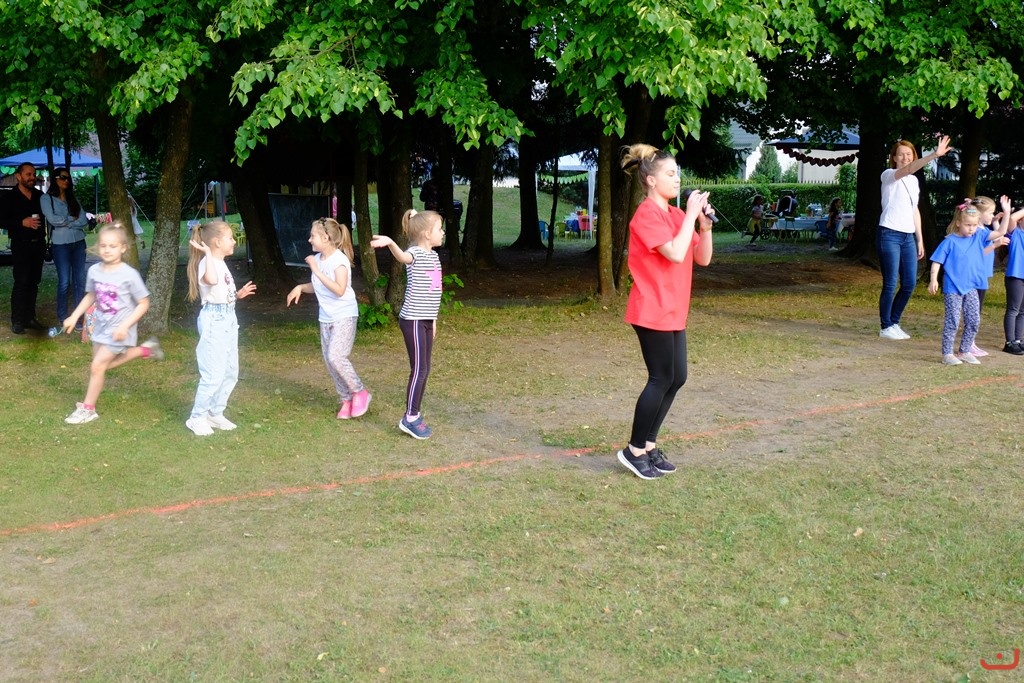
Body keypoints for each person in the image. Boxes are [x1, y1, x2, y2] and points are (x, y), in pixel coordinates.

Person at [616, 144, 714, 480]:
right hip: (651, 308)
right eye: (670, 174)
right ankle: (633, 450)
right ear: (651, 181)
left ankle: (649, 445)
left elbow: (702, 258)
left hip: (674, 309)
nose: (677, 179)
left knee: (677, 377)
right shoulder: (646, 215)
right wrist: (689, 216)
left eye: (678, 173)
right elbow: (673, 252)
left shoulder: (675, 216)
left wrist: (704, 227)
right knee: (660, 377)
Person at [61, 223, 163, 424]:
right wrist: (74, 316)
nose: (107, 250)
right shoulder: (94, 271)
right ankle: (145, 350)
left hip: (120, 331)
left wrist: (125, 326)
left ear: (123, 248)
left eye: (113, 246)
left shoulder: (129, 274)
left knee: (97, 366)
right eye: (103, 245)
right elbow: (91, 296)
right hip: (101, 327)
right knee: (100, 366)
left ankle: (88, 409)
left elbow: (144, 303)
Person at [370, 209, 445, 440]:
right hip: (412, 319)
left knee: (425, 368)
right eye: (439, 229)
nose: (443, 232)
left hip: (425, 320)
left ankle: (415, 414)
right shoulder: (415, 253)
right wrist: (390, 242)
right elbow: (402, 258)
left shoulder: (434, 257)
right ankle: (410, 418)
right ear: (426, 234)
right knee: (419, 369)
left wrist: (433, 320)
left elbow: (434, 292)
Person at [286, 217, 371, 419]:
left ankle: (360, 392)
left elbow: (339, 290)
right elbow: (318, 286)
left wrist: (315, 270)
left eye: (313, 236)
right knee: (329, 361)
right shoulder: (318, 259)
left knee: (336, 356)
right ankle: (346, 399)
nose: (309, 240)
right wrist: (300, 287)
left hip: (344, 315)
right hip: (326, 317)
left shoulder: (339, 261)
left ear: (325, 238)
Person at [185, 221, 256, 436]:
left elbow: (220, 291)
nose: (234, 241)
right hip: (214, 321)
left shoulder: (220, 263)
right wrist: (207, 254)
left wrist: (238, 295)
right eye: (230, 238)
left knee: (231, 371)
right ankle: (197, 417)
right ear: (217, 242)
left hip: (228, 318)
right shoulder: (207, 263)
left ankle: (215, 413)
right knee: (213, 374)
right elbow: (211, 280)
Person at [877, 135, 952, 340]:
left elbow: (914, 209)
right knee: (890, 283)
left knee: (909, 283)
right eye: (901, 154)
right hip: (889, 233)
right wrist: (934, 155)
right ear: (894, 158)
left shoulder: (913, 181)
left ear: (914, 155)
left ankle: (894, 322)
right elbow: (908, 169)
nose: (905, 158)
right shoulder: (889, 175)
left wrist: (919, 238)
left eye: (909, 154)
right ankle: (885, 326)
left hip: (907, 236)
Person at [927, 202, 1007, 365]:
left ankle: (964, 350)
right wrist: (933, 280)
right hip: (953, 288)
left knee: (973, 320)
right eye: (968, 225)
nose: (971, 229)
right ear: (958, 223)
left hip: (971, 287)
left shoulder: (978, 236)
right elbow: (937, 261)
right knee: (953, 320)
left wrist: (1006, 212)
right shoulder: (949, 241)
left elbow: (1000, 232)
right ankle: (947, 354)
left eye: (974, 225)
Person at [0, 162, 46, 334]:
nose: (32, 177)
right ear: (18, 176)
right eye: (28, 174)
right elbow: (1, 220)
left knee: (34, 282)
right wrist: (21, 222)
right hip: (21, 245)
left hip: (38, 244)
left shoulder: (40, 196)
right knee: (21, 282)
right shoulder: (8, 198)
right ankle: (17, 320)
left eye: (33, 174)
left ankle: (30, 317)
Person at [41, 168, 89, 329]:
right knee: (64, 282)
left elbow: (84, 220)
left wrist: (68, 222)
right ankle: (62, 315)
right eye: (62, 177)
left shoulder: (73, 199)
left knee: (79, 281)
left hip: (79, 243)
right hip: (60, 245)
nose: (66, 180)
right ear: (55, 179)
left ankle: (79, 317)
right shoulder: (46, 199)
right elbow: (52, 220)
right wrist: (71, 219)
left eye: (68, 178)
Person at [966, 195, 1012, 356]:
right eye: (991, 213)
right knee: (973, 311)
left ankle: (970, 342)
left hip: (981, 275)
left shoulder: (983, 230)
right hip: (975, 275)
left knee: (976, 310)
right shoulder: (977, 232)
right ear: (979, 214)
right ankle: (968, 343)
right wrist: (1007, 213)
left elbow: (999, 234)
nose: (992, 216)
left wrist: (996, 221)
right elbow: (999, 235)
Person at [1000, 207, 1024, 355]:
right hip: (1015, 277)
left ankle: (1018, 341)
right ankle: (1009, 342)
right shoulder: (1015, 233)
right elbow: (1012, 218)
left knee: (1022, 312)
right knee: (1013, 310)